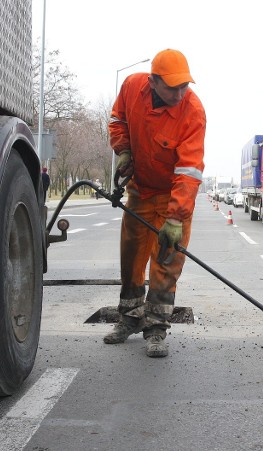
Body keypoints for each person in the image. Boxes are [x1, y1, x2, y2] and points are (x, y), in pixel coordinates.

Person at [104, 49, 206, 358]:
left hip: (173, 197)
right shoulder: (132, 87)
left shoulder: (192, 111)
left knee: (166, 261)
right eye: (171, 87)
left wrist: (175, 218)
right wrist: (123, 150)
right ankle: (128, 319)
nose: (178, 93)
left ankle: (157, 328)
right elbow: (117, 119)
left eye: (183, 86)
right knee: (132, 258)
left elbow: (189, 170)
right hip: (141, 192)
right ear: (153, 82)